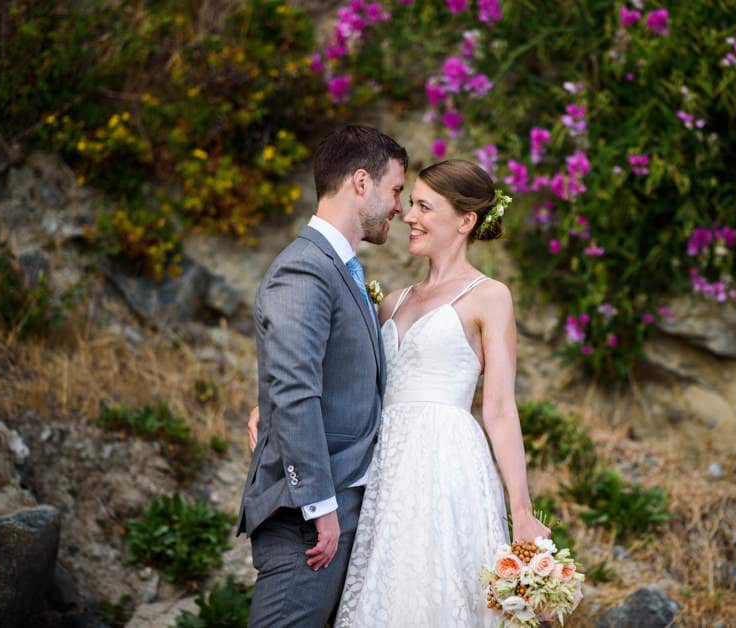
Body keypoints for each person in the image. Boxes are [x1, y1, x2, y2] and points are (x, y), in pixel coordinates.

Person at [250, 158, 551, 625]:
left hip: (445, 468)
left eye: (425, 207)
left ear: (465, 221)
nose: (409, 216)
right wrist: (269, 407)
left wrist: (523, 511)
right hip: (384, 470)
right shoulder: (392, 301)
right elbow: (344, 379)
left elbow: (499, 410)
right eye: (409, 203)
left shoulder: (490, 297)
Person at [236, 124, 407, 627]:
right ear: (360, 182)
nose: (399, 206)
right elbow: (294, 390)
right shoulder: (305, 270)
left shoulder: (338, 267)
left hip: (334, 509)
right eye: (395, 189)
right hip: (308, 521)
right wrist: (319, 508)